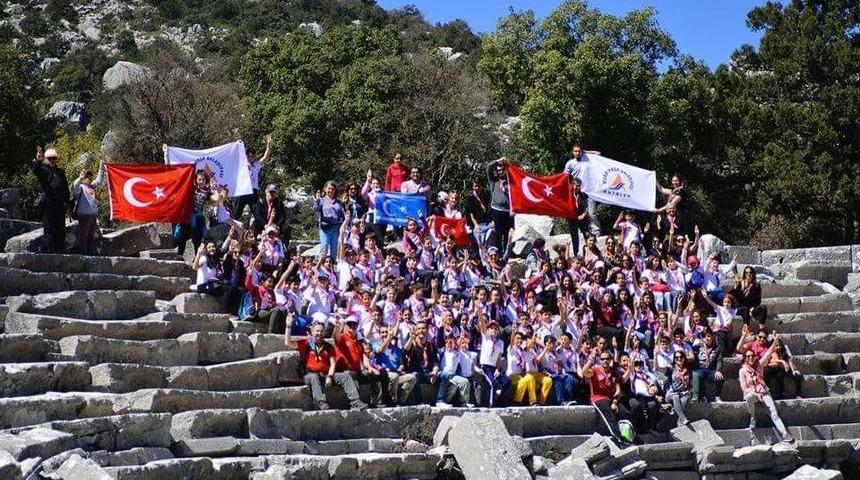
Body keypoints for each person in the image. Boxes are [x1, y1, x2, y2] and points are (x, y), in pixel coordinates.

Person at [284, 318, 367, 411]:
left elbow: (332, 364)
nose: (319, 334)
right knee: (314, 378)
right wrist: (288, 326)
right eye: (317, 331)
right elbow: (288, 342)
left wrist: (330, 376)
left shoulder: (328, 346)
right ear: (312, 331)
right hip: (310, 375)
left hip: (325, 374)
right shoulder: (306, 343)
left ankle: (355, 402)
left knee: (345, 376)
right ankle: (321, 403)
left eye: (322, 331)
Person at [739, 338, 794, 443]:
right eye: (748, 356)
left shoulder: (759, 365)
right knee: (749, 397)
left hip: (764, 392)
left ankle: (785, 434)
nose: (751, 358)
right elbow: (744, 388)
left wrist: (775, 340)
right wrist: (756, 394)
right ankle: (753, 417)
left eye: (752, 356)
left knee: (774, 414)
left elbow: (768, 353)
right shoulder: (742, 371)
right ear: (745, 358)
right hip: (752, 393)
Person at [582, 349, 632, 443]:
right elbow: (584, 372)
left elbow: (618, 391)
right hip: (598, 399)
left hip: (610, 399)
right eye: (602, 359)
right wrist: (590, 361)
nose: (605, 361)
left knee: (625, 412)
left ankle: (629, 436)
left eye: (607, 359)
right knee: (610, 417)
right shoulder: (595, 370)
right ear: (600, 360)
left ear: (611, 360)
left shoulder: (614, 373)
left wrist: (614, 402)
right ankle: (619, 439)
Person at [32, 146, 71, 253]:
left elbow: (65, 189)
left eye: (54, 158)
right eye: (50, 158)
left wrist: (68, 205)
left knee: (60, 229)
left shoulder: (60, 172)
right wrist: (38, 160)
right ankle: (49, 253)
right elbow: (36, 170)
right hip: (48, 204)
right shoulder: (43, 170)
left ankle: (59, 252)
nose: (52, 160)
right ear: (45, 159)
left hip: (59, 204)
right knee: (49, 229)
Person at [562, 144, 600, 235]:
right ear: (572, 152)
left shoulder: (588, 160)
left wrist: (586, 152)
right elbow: (564, 176)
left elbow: (598, 154)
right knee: (578, 213)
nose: (577, 153)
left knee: (591, 212)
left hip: (589, 190)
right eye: (575, 151)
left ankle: (596, 232)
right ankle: (584, 232)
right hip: (577, 191)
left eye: (579, 151)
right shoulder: (570, 163)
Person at [234, 135, 272, 220]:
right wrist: (238, 145)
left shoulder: (256, 165)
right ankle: (231, 231)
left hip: (253, 191)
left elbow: (265, 158)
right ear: (246, 156)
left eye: (252, 156)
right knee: (236, 213)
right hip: (242, 190)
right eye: (248, 156)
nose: (250, 158)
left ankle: (261, 231)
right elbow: (235, 156)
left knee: (258, 214)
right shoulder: (242, 164)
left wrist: (268, 147)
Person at [70, 162, 105, 255]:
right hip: (84, 216)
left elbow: (99, 180)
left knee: (90, 237)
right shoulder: (80, 188)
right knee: (84, 237)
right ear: (83, 179)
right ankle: (84, 256)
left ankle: (90, 255)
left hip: (93, 216)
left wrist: (101, 168)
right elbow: (74, 187)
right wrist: (80, 178)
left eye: (90, 177)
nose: (90, 179)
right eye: (87, 177)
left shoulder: (91, 186)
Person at [174, 170, 211, 256]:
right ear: (196, 180)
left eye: (203, 180)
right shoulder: (191, 188)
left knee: (196, 237)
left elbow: (215, 201)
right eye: (200, 179)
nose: (201, 182)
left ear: (206, 181)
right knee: (182, 235)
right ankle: (180, 255)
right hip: (187, 215)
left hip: (197, 217)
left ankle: (196, 256)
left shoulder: (207, 192)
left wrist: (219, 193)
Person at [486, 158, 513, 253]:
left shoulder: (510, 181)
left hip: (507, 210)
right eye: (498, 170)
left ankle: (507, 251)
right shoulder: (494, 181)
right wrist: (498, 161)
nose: (500, 172)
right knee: (498, 233)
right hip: (496, 209)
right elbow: (489, 167)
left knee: (507, 233)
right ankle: (499, 252)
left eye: (502, 169)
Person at [692, 328, 724, 403]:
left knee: (720, 378)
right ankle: (702, 396)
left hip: (710, 369)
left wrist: (718, 370)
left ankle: (717, 396)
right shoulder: (697, 348)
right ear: (702, 338)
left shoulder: (716, 348)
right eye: (705, 337)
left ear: (712, 337)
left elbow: (719, 360)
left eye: (709, 336)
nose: (707, 338)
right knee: (700, 376)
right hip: (700, 368)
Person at [314, 181, 345, 259]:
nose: (330, 191)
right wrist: (317, 201)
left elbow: (342, 214)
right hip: (325, 228)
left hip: (335, 228)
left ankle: (332, 267)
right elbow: (316, 209)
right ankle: (321, 266)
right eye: (329, 189)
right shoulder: (321, 200)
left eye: (332, 189)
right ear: (325, 189)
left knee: (334, 249)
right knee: (324, 247)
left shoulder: (338, 202)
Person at [665, 351, 693, 426]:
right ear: (674, 359)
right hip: (671, 394)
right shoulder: (671, 369)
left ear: (684, 358)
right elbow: (658, 368)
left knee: (684, 401)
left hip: (684, 393)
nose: (679, 359)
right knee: (676, 396)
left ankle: (680, 423)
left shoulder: (688, 370)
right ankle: (683, 418)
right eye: (676, 357)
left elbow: (691, 385)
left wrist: (687, 391)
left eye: (681, 357)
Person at [567, 178, 591, 256]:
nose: (578, 188)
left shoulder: (583, 195)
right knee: (575, 238)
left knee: (587, 235)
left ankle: (590, 252)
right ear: (572, 185)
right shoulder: (568, 195)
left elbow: (587, 207)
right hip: (572, 219)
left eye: (579, 186)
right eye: (576, 186)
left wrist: (583, 215)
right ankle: (576, 254)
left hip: (582, 219)